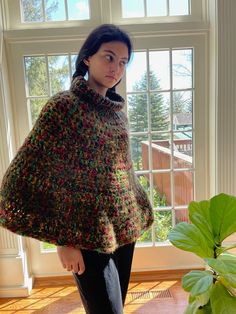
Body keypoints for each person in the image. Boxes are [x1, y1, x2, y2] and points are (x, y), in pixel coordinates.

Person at [0, 24, 154, 314]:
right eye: (109, 57)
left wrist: (137, 204)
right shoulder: (64, 108)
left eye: (123, 62)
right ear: (87, 58)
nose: (116, 68)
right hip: (84, 237)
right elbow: (21, 176)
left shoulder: (117, 115)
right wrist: (63, 241)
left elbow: (119, 174)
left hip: (121, 232)